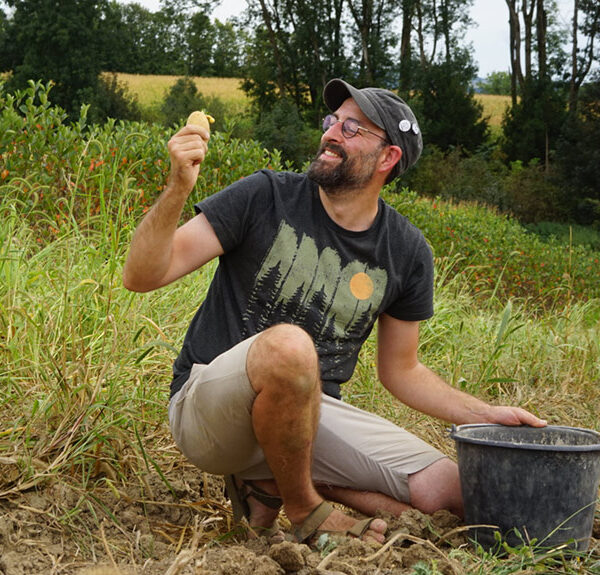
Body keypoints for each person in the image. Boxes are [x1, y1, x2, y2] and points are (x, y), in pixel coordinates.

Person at [122, 78, 546, 544]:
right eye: (332, 122)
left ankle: (268, 484)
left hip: (305, 418)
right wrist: (178, 187)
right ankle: (306, 509)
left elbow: (402, 371)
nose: (331, 134)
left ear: (388, 158)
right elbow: (142, 277)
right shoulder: (265, 196)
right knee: (289, 346)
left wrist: (485, 415)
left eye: (352, 128)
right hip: (207, 408)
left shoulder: (404, 251)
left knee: (450, 492)